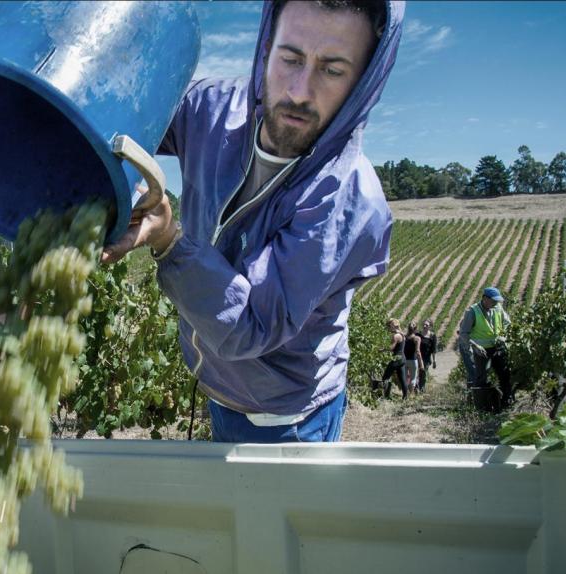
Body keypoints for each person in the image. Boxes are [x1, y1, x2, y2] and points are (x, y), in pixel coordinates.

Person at [101, 0, 404, 443]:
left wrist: (168, 239)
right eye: (290, 58)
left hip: (287, 418)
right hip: (219, 389)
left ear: (364, 82)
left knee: (276, 514)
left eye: (333, 70)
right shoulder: (212, 109)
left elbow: (250, 325)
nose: (300, 91)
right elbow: (129, 117)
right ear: (266, 48)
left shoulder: (347, 200)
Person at [457, 286, 513, 404]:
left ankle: (506, 401)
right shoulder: (472, 311)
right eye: (493, 300)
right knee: (481, 378)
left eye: (497, 301)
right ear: (484, 299)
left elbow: (508, 323)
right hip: (481, 351)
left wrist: (504, 337)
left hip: (497, 348)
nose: (495, 303)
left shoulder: (498, 308)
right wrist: (475, 346)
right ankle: (481, 406)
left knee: (504, 374)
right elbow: (463, 333)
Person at [382, 318, 408, 400]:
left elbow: (391, 348)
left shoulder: (395, 336)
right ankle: (405, 397)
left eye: (389, 326)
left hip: (396, 359)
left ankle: (385, 396)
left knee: (385, 377)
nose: (388, 328)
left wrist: (382, 349)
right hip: (402, 359)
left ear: (393, 326)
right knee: (403, 379)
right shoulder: (402, 335)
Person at [403, 321, 423, 395]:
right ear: (416, 329)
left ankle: (405, 393)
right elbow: (418, 351)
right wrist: (421, 363)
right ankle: (411, 394)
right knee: (413, 378)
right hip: (413, 360)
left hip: (404, 360)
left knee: (404, 378)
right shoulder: (417, 338)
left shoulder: (404, 337)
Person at [417, 318, 437, 393]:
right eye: (424, 324)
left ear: (430, 326)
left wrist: (434, 360)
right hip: (417, 357)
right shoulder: (418, 334)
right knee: (417, 374)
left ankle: (421, 389)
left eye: (427, 325)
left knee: (423, 374)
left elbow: (433, 349)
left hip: (426, 359)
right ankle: (416, 389)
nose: (424, 326)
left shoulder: (432, 336)